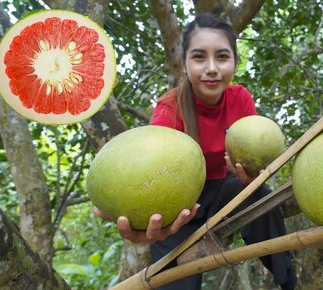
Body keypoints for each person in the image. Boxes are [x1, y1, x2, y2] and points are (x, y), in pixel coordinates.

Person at [95, 13, 296, 290]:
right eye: (199, 57)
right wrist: (137, 216)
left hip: (225, 191)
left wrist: (254, 176)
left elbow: (252, 158)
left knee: (261, 199)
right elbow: (152, 175)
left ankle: (292, 283)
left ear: (235, 63)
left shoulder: (241, 99)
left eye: (222, 57)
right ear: (185, 63)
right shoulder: (169, 108)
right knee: (173, 280)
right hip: (180, 204)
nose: (211, 68)